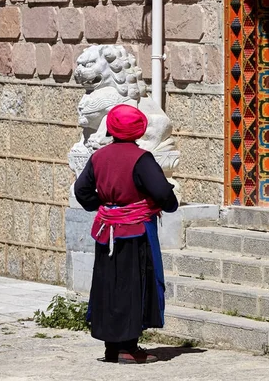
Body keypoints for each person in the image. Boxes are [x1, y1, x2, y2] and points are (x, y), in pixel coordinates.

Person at [74, 104, 178, 364]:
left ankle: (112, 347)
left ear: (110, 128)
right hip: (134, 233)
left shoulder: (98, 157)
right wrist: (167, 204)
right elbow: (162, 192)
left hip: (106, 232)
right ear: (139, 129)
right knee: (132, 286)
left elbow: (82, 191)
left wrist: (106, 206)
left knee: (109, 285)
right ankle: (128, 348)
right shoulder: (141, 159)